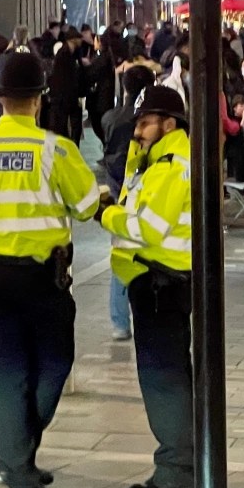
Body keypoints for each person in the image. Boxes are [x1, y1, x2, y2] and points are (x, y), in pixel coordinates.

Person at [0, 52, 101, 488]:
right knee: (54, 366)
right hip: (45, 282)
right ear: (39, 101)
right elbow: (89, 205)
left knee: (8, 376)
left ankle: (17, 459)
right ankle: (19, 464)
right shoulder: (57, 150)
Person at [96, 86, 195, 488]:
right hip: (155, 282)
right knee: (168, 375)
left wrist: (106, 212)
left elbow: (146, 228)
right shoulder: (155, 162)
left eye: (143, 123)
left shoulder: (171, 166)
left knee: (163, 379)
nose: (136, 131)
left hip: (161, 282)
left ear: (168, 124)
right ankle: (182, 462)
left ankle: (175, 469)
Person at [100, 65, 157, 341]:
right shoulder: (154, 120)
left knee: (121, 256)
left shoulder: (111, 118)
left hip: (118, 193)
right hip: (149, 193)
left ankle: (120, 322)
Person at [46, 27, 83, 140]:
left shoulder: (73, 53)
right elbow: (63, 78)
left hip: (70, 96)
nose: (81, 40)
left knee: (75, 125)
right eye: (78, 38)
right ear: (73, 40)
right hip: (64, 97)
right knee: (63, 125)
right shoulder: (63, 55)